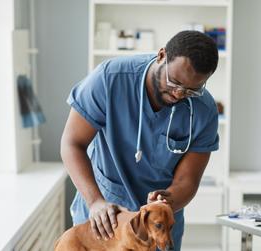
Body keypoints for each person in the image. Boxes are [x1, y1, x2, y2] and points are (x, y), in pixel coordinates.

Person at [60, 30, 220, 250]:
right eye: (174, 82)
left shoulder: (204, 111)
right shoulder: (110, 79)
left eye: (191, 90)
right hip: (105, 217)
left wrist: (168, 199)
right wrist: (95, 201)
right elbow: (72, 143)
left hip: (158, 225)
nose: (179, 94)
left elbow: (187, 181)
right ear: (162, 55)